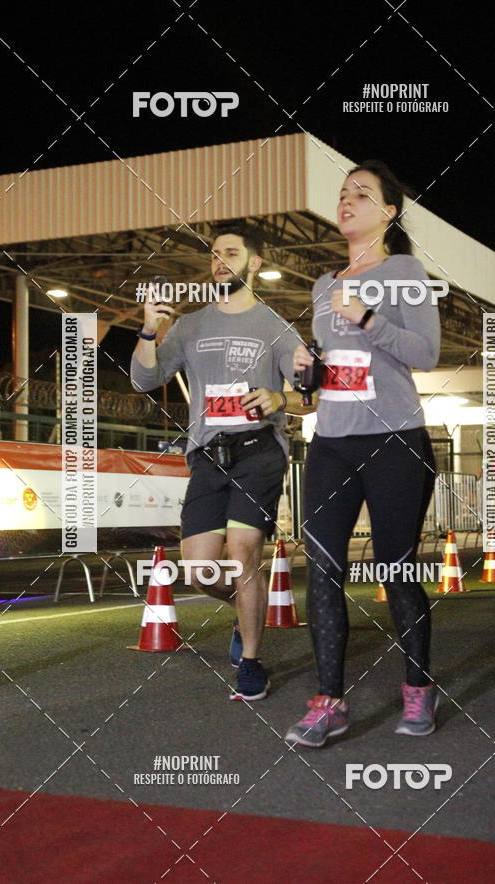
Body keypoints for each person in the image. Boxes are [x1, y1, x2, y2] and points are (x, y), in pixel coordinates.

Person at [284, 160, 440, 748]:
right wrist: (308, 373)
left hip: (394, 440)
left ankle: (419, 691)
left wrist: (367, 316)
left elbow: (423, 353)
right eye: (343, 192)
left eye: (362, 193)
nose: (346, 201)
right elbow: (338, 372)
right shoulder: (325, 283)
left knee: (397, 570)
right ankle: (329, 702)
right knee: (322, 568)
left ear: (389, 212)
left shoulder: (404, 271)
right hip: (331, 442)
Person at [131, 227, 305, 701]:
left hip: (259, 453)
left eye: (231, 253)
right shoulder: (189, 325)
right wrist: (149, 330)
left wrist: (279, 397)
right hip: (207, 456)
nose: (220, 261)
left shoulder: (274, 326)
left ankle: (250, 661)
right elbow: (144, 379)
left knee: (243, 554)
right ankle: (246, 608)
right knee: (199, 571)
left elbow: (310, 395)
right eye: (214, 255)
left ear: (253, 262)